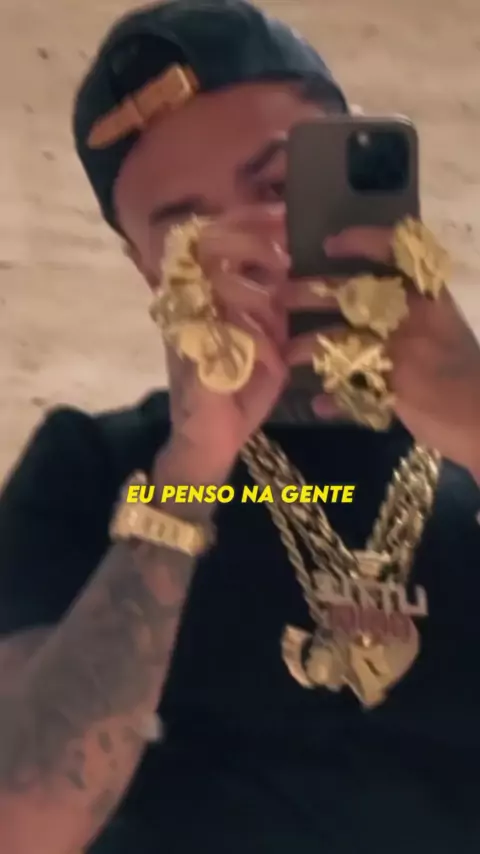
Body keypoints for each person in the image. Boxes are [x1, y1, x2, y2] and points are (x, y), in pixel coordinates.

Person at [1, 1, 480, 852]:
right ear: (147, 269)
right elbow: (24, 825)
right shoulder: (90, 468)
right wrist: (190, 473)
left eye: (281, 189)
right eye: (192, 230)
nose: (259, 246)